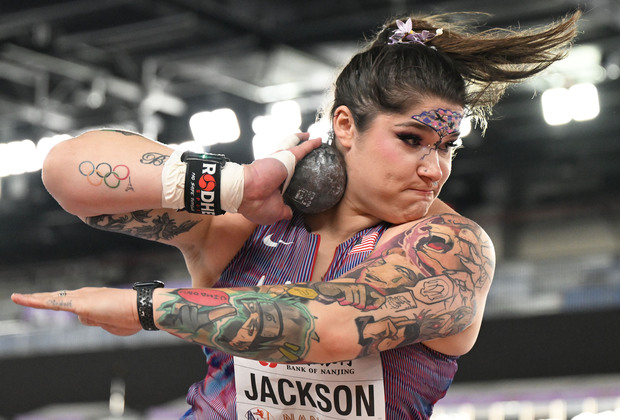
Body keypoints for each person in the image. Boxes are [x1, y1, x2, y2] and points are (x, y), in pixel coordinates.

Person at [12, 10, 581, 420]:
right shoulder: (245, 224)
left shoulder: (449, 246)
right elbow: (68, 171)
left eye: (447, 148)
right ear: (343, 125)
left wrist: (147, 306)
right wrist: (236, 184)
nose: (434, 169)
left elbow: (328, 328)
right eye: (411, 140)